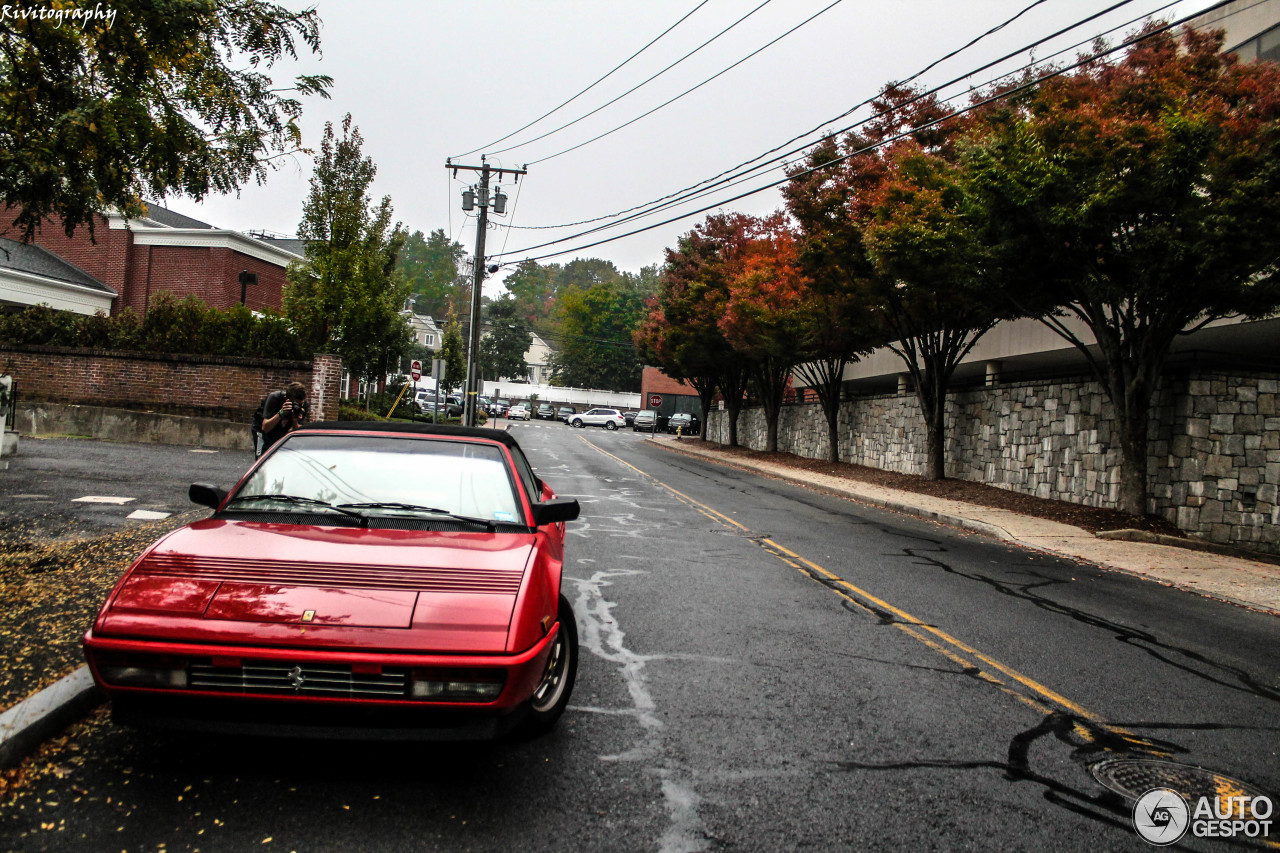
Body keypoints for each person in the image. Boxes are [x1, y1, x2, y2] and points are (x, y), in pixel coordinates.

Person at [259, 382, 308, 456]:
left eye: (300, 403)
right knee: (263, 457)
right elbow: (265, 428)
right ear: (286, 399)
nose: (297, 406)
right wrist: (281, 413)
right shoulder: (274, 398)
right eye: (295, 403)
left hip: (282, 430)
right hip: (262, 427)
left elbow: (298, 435)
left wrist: (295, 421)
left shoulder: (303, 406)